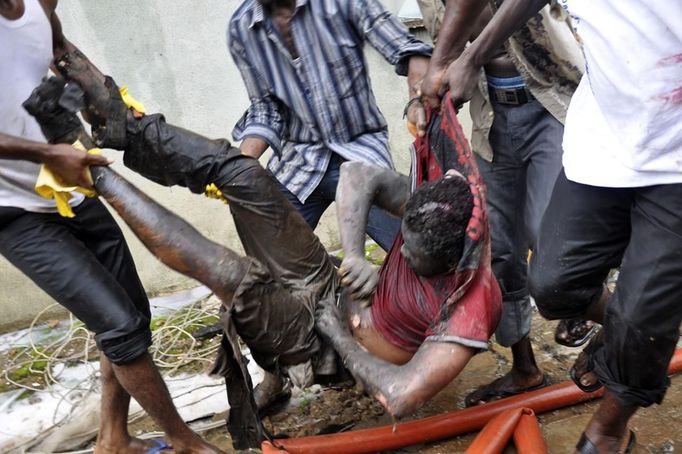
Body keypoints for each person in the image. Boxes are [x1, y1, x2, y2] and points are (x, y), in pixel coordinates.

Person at [48, 61, 499, 442]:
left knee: (229, 272)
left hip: (323, 344)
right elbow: (360, 175)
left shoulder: (473, 302)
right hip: (327, 287)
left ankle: (95, 173)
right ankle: (121, 121)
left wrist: (340, 338)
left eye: (418, 266)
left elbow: (401, 395)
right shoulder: (443, 197)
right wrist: (357, 255)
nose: (403, 262)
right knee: (244, 174)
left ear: (454, 259)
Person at [444, 0, 681, 452]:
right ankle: (625, 336)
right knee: (554, 285)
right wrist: (464, 58)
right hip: (605, 141)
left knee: (643, 316)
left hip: (676, 159)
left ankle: (609, 430)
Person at [0, 1, 223, 453]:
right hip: (13, 212)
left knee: (132, 312)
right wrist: (46, 153)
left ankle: (113, 438)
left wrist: (105, 100)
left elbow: (59, 48)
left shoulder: (40, 4)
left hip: (72, 185)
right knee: (119, 325)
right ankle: (184, 441)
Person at [415, 0, 592, 406]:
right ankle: (525, 368)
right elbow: (447, 51)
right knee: (500, 253)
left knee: (551, 238)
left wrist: (465, 60)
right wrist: (431, 93)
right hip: (492, 119)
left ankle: (614, 327)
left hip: (552, 103)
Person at [228, 0, 432, 253]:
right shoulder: (242, 28)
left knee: (414, 253)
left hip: (360, 155)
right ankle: (332, 284)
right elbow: (264, 109)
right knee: (272, 263)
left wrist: (416, 99)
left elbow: (410, 50)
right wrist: (235, 167)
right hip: (297, 164)